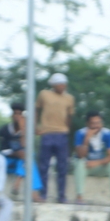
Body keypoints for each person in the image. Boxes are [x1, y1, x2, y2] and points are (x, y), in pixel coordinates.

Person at [36, 73, 75, 203]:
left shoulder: (69, 98)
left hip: (62, 134)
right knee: (44, 166)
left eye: (64, 84)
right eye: (59, 84)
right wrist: (36, 126)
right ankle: (43, 194)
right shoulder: (44, 94)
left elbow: (70, 115)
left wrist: (67, 129)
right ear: (53, 85)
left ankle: (61, 195)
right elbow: (36, 109)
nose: (62, 86)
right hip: (46, 133)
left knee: (62, 166)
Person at [73, 111, 110, 205]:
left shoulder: (107, 133)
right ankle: (79, 197)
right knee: (80, 163)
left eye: (98, 123)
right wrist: (87, 139)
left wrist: (97, 163)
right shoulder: (80, 133)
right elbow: (81, 156)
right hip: (85, 166)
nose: (96, 126)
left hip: (100, 165)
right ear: (87, 124)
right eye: (93, 123)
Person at [0, 102, 43, 199]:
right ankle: (34, 191)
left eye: (19, 114)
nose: (17, 116)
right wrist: (16, 153)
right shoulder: (4, 130)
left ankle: (18, 182)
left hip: (20, 163)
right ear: (11, 115)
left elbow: (25, 146)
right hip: (7, 161)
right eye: (15, 114)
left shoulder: (26, 131)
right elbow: (2, 150)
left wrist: (22, 130)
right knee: (27, 158)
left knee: (29, 155)